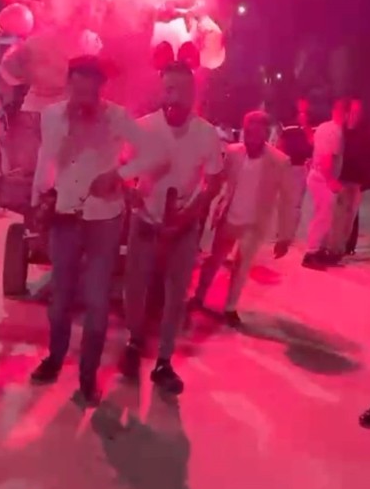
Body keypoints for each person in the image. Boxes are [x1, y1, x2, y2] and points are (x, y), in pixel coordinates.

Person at [30, 55, 165, 403]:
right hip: (63, 214)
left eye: (90, 92)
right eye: (78, 90)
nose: (83, 99)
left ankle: (88, 376)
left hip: (104, 218)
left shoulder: (116, 117)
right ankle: (54, 358)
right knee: (60, 297)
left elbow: (154, 152)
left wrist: (119, 174)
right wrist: (37, 200)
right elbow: (45, 158)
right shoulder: (51, 115)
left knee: (96, 299)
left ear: (101, 89)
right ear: (69, 85)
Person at [119, 61, 223, 396]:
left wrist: (191, 212)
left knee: (176, 296)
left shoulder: (206, 133)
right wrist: (130, 191)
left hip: (183, 227)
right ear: (162, 92)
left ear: (194, 93)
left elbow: (214, 180)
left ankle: (164, 361)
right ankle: (133, 343)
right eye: (169, 89)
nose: (175, 97)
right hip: (146, 221)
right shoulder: (143, 128)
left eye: (182, 89)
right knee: (135, 288)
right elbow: (122, 165)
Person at [191, 111, 295, 327]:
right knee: (213, 261)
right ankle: (198, 297)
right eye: (248, 132)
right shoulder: (233, 153)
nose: (250, 137)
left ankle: (230, 308)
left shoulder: (280, 162)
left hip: (254, 224)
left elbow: (287, 201)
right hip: (229, 218)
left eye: (256, 133)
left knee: (241, 267)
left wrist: (285, 236)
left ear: (265, 133)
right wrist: (202, 200)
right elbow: (218, 181)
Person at [328, 98, 370, 260]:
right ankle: (334, 248)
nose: (354, 114)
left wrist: (368, 180)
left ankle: (342, 246)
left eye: (357, 111)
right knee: (338, 215)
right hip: (341, 178)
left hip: (356, 180)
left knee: (349, 216)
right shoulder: (341, 130)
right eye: (352, 110)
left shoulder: (366, 132)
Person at [302, 98, 347, 270]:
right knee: (322, 217)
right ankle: (311, 253)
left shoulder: (323, 127)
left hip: (317, 174)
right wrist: (331, 180)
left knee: (323, 216)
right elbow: (327, 156)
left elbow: (313, 143)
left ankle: (318, 250)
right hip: (323, 177)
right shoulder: (335, 131)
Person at [277, 97, 313, 236]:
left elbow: (312, 145)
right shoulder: (288, 127)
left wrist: (306, 127)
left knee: (295, 203)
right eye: (300, 108)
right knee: (284, 201)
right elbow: (280, 144)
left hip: (300, 167)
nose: (302, 111)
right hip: (287, 167)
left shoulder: (310, 127)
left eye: (305, 108)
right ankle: (282, 230)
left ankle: (289, 232)